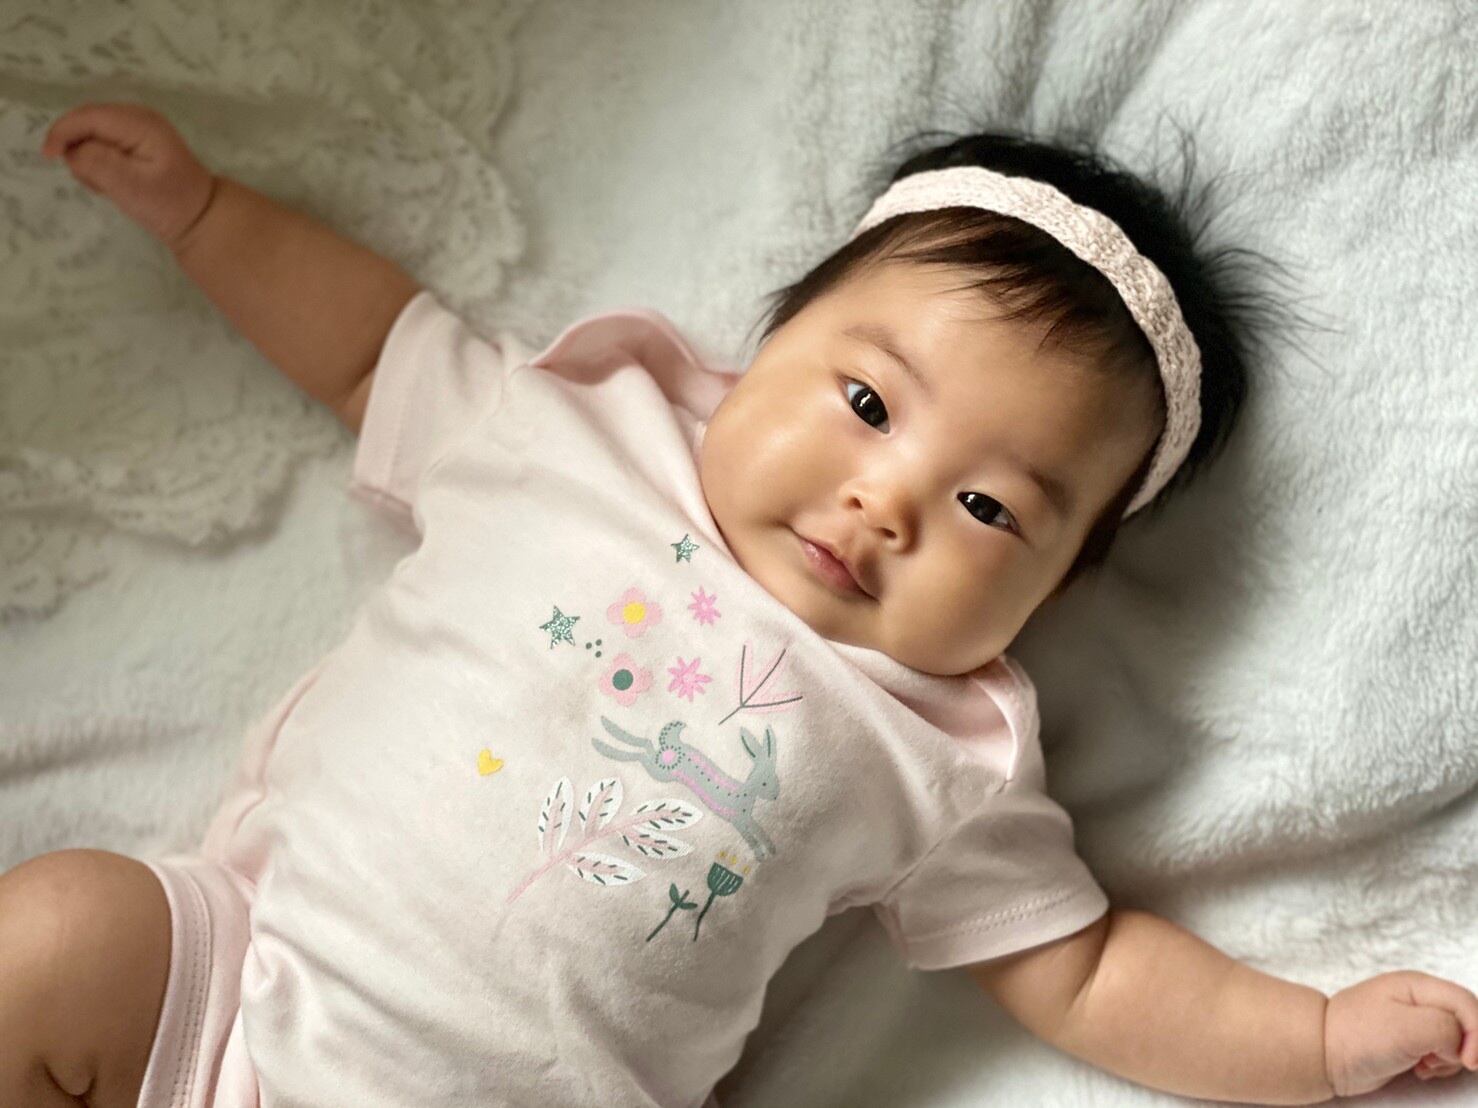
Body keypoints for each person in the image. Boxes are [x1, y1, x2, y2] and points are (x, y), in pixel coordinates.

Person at [4, 100, 1474, 1108]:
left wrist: (1315, 1039)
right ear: (759, 351)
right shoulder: (569, 433)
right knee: (62, 931)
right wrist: (204, 214)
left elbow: (1084, 973)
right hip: (229, 998)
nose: (884, 503)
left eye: (991, 509)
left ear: (1050, 589)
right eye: (866, 402)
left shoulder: (940, 753)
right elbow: (364, 350)